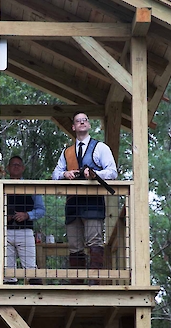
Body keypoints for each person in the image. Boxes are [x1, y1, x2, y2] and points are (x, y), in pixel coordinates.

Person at [52, 112, 117, 284]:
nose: (82, 122)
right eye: (77, 121)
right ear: (73, 127)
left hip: (93, 203)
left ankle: (95, 282)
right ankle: (77, 283)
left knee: (94, 240)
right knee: (74, 244)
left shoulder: (101, 148)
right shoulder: (67, 152)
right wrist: (65, 174)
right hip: (72, 203)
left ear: (88, 125)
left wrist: (94, 174)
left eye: (85, 120)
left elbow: (112, 172)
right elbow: (55, 175)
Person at [4, 156, 46, 285]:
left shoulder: (31, 187)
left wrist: (27, 215)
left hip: (25, 231)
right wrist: (5, 216)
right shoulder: (1, 186)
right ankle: (10, 302)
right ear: (8, 168)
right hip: (6, 231)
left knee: (31, 269)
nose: (16, 167)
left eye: (18, 165)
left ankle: (38, 302)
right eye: (13, 165)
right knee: (8, 272)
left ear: (23, 168)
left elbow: (41, 210)